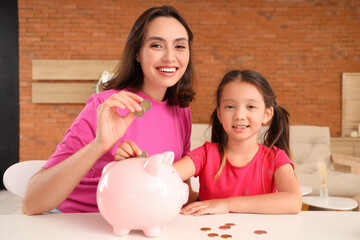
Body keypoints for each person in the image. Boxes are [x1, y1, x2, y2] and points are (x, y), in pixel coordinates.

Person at [23, 5, 196, 215]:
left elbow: (181, 188)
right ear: (138, 54)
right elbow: (32, 201)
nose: (170, 57)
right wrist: (99, 146)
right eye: (157, 45)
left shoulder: (181, 112)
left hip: (138, 223)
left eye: (180, 46)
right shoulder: (105, 106)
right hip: (78, 223)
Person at [172, 70, 302, 215]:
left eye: (251, 107)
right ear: (219, 114)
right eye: (230, 106)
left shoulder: (276, 158)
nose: (239, 115)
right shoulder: (205, 154)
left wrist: (228, 204)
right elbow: (165, 176)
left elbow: (294, 201)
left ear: (266, 114)